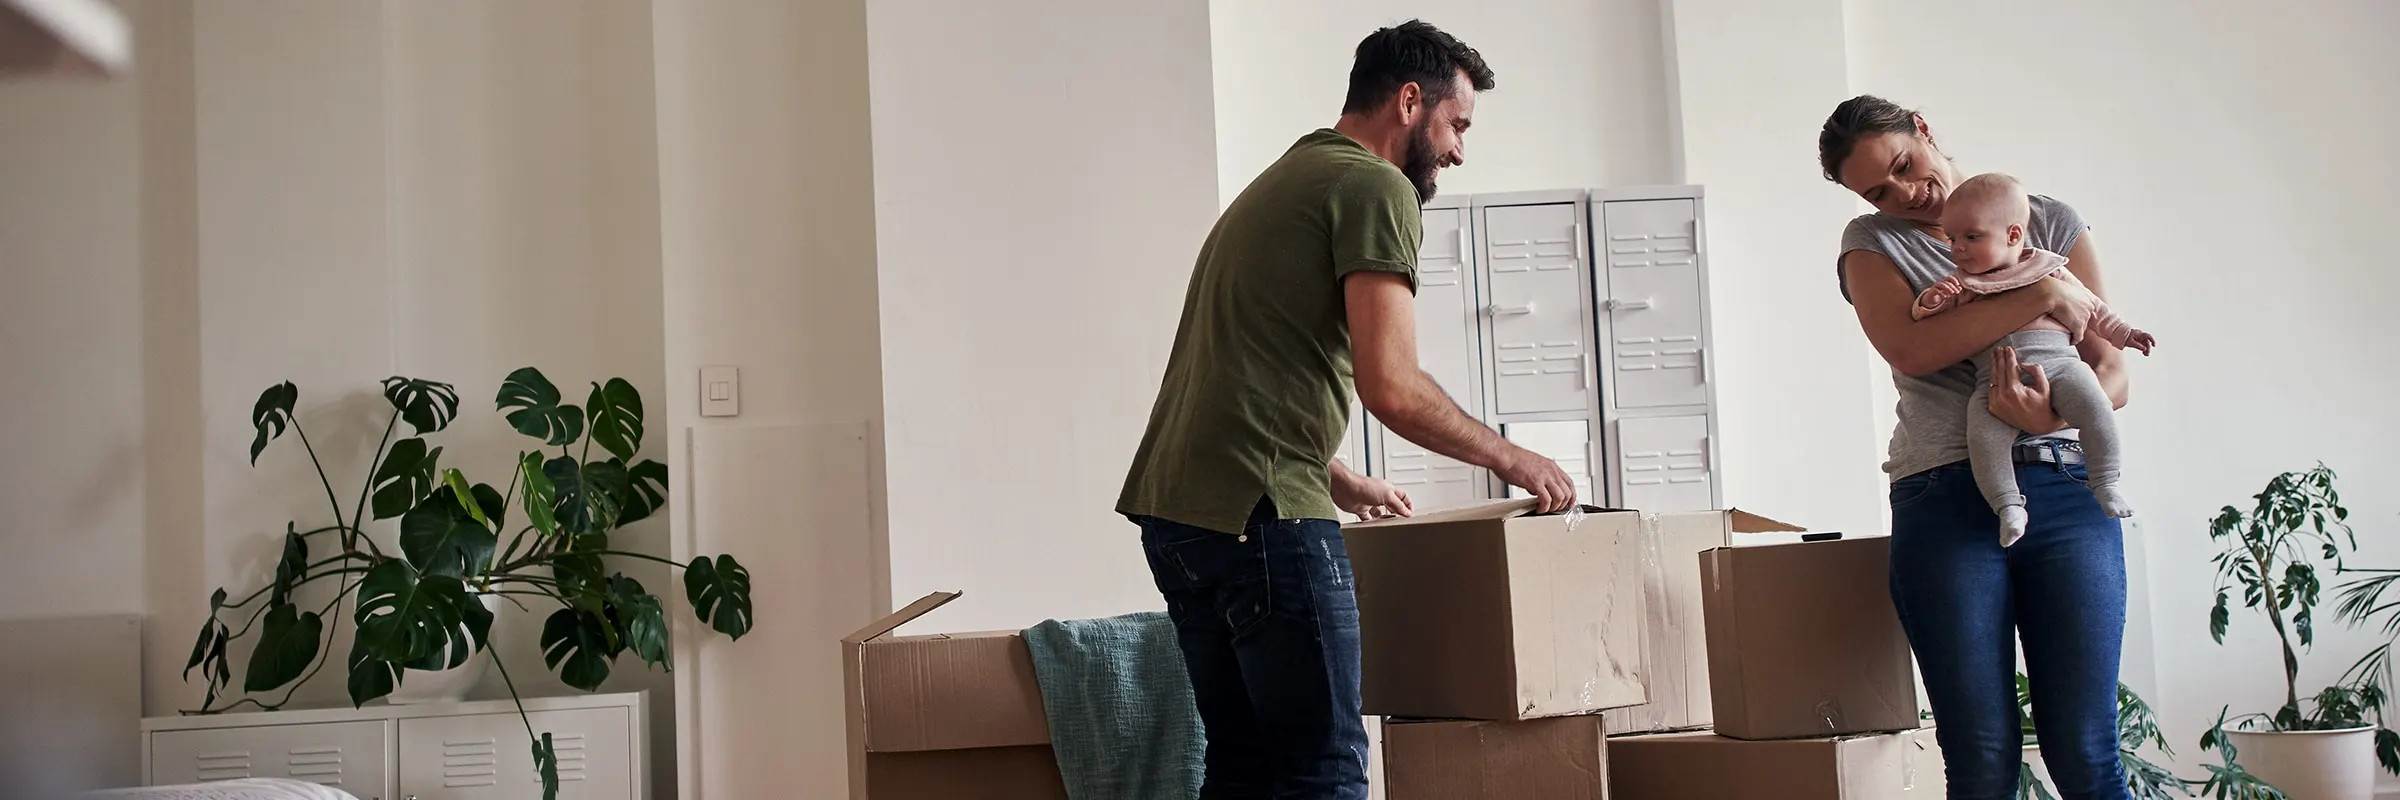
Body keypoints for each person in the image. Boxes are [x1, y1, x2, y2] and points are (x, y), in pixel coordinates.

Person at [1116, 19, 1576, 799]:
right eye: (1457, 125)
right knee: (1323, 771)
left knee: (1242, 770)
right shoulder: (1375, 186)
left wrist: (1334, 476)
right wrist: (1512, 456)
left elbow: (1239, 373)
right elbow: (1391, 386)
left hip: (1180, 519)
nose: (1461, 150)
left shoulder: (1282, 182)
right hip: (1261, 523)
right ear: (1408, 102)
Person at [1821, 94, 2134, 800]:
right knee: (1982, 757)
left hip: (2066, 486)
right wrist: (2041, 294)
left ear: (1924, 129)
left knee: (2087, 753)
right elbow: (1911, 346)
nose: (1904, 193)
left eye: (1904, 165)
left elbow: (2112, 376)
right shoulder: (1872, 242)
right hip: (1944, 495)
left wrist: (2047, 416)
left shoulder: (2049, 217)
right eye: (1879, 190)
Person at [1912, 172, 2155, 546]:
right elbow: (1930, 328)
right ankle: (2008, 505)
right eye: (1953, 239)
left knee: (2095, 407)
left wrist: (2126, 334)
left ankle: (2106, 482)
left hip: (2061, 367)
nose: (1958, 249)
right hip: (1992, 383)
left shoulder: (2049, 268)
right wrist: (1929, 303)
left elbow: (2096, 309)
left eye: (1972, 237)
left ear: (2012, 235)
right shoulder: (1962, 284)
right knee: (1982, 438)